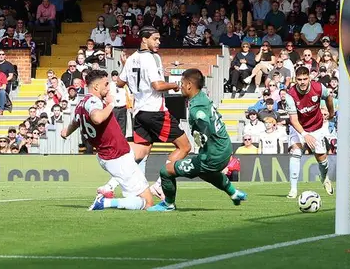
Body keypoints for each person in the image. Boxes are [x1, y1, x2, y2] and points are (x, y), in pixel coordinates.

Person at [97, 26, 192, 199]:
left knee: (141, 151)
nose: (158, 42)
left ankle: (109, 186)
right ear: (144, 39)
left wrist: (127, 66)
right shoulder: (152, 58)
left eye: (158, 39)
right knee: (185, 146)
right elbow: (157, 86)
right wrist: (176, 84)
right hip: (155, 111)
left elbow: (120, 83)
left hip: (139, 113)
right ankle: (159, 185)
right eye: (155, 39)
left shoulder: (132, 58)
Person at [148, 69, 247, 211]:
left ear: (189, 85)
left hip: (212, 155)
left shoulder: (196, 107)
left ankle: (168, 204)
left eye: (182, 83)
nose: (180, 86)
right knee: (205, 173)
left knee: (166, 171)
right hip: (224, 148)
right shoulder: (202, 97)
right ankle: (234, 193)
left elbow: (202, 118)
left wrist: (203, 129)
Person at [61, 69, 154, 211]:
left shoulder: (81, 104)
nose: (108, 87)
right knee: (147, 203)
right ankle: (105, 202)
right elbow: (97, 118)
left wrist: (65, 132)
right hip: (117, 156)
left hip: (111, 153)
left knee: (144, 148)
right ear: (96, 87)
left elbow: (74, 123)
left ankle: (109, 187)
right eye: (106, 84)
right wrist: (111, 104)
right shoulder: (93, 101)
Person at [284, 66, 334, 199]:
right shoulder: (290, 95)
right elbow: (293, 120)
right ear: (295, 79)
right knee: (296, 152)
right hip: (299, 127)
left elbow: (328, 97)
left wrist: (331, 112)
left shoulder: (318, 88)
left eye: (305, 79)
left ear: (309, 78)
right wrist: (305, 135)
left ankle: (324, 178)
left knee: (321, 159)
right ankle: (293, 189)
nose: (302, 82)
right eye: (299, 79)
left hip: (317, 127)